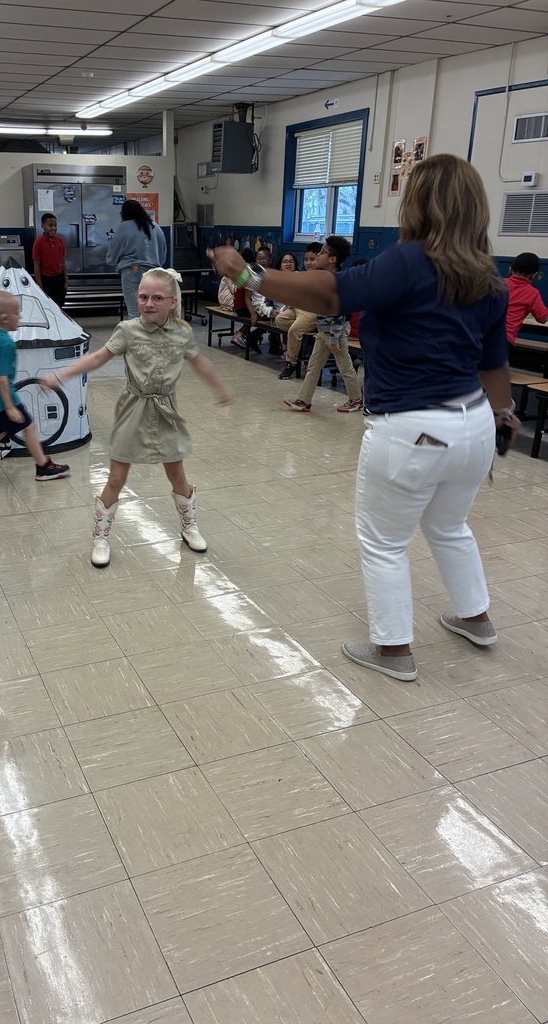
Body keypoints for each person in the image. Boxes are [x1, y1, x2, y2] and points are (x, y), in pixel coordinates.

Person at [209, 153, 517, 683]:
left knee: (383, 541)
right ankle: (477, 620)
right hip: (473, 425)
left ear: (419, 202)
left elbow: (333, 292)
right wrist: (506, 414)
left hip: (413, 427)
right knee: (450, 527)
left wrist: (248, 275)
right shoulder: (487, 276)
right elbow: (494, 365)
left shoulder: (409, 260)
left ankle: (393, 650)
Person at [42, 268, 231, 567]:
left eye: (157, 298)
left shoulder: (182, 332)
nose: (149, 304)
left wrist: (219, 389)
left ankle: (189, 527)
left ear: (172, 301)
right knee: (117, 477)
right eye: (143, 297)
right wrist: (63, 374)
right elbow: (98, 357)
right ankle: (101, 537)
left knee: (177, 475)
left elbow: (199, 362)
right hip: (133, 408)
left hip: (167, 410)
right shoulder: (128, 330)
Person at [0, 291, 69, 482]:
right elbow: (3, 379)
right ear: (5, 318)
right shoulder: (5, 343)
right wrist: (10, 407)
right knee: (29, 426)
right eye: (17, 312)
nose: (20, 316)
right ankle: (43, 467)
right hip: (0, 398)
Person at [282, 235, 363, 414]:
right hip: (324, 331)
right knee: (314, 366)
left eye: (322, 252)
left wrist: (334, 339)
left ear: (332, 259)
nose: (318, 256)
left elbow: (340, 313)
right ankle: (304, 400)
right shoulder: (323, 278)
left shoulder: (337, 282)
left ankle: (356, 400)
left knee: (345, 366)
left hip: (336, 332)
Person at [107, 199, 168, 319]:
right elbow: (163, 252)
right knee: (151, 309)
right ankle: (151, 336)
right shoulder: (154, 226)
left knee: (134, 311)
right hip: (153, 273)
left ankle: (135, 337)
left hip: (132, 271)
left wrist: (111, 261)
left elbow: (114, 251)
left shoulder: (124, 226)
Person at [278, 242, 323, 379]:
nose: (308, 263)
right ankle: (301, 335)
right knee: (280, 320)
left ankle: (291, 363)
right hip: (300, 309)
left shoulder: (323, 276)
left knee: (294, 330)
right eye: (306, 260)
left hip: (313, 312)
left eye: (312, 259)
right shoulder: (304, 275)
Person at [504, 251, 548, 345]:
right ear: (534, 275)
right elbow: (543, 319)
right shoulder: (532, 293)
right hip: (504, 340)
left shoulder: (497, 284)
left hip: (481, 335)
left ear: (510, 270)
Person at [218, 247, 254, 348]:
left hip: (237, 304)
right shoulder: (247, 271)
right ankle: (242, 335)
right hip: (236, 304)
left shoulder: (244, 270)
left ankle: (246, 336)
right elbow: (240, 292)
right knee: (259, 315)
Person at [32, 213, 68, 309]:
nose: (53, 228)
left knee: (59, 305)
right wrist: (39, 285)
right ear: (43, 226)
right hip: (46, 280)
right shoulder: (38, 243)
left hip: (59, 279)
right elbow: (36, 265)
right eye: (50, 225)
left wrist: (65, 279)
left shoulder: (60, 241)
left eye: (55, 225)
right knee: (48, 307)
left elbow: (63, 261)